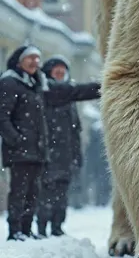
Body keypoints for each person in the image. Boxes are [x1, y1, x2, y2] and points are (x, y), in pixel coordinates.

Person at [0, 45, 101, 241]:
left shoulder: (39, 85)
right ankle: (15, 232)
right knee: (19, 192)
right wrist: (17, 140)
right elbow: (2, 117)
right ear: (19, 61)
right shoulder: (11, 82)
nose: (34, 62)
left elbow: (73, 91)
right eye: (30, 58)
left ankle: (26, 230)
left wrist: (105, 86)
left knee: (32, 194)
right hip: (21, 151)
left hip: (38, 152)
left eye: (37, 59)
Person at [36, 56, 101, 237]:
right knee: (45, 192)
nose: (60, 74)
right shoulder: (46, 91)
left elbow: (75, 131)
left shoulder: (68, 99)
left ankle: (57, 226)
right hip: (48, 153)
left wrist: (76, 156)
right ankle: (42, 227)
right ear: (49, 73)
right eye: (56, 71)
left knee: (61, 193)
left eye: (63, 71)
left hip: (65, 154)